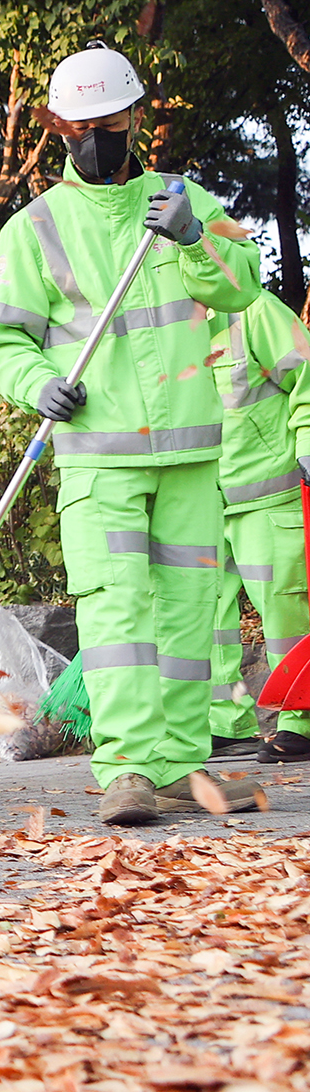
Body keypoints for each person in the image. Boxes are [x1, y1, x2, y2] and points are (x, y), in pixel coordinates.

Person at [0, 41, 263, 826]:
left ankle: (178, 767)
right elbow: (5, 341)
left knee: (186, 612)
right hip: (99, 456)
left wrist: (193, 236)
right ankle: (129, 771)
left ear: (135, 118)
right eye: (79, 126)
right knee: (115, 614)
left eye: (108, 122)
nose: (94, 137)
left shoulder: (186, 200)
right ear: (58, 129)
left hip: (188, 448)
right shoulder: (32, 228)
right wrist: (37, 383)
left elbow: (245, 284)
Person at [206, 291, 310, 765]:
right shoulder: (159, 325)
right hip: (199, 500)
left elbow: (306, 374)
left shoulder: (255, 310)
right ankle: (225, 725)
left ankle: (302, 721)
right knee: (204, 618)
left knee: (286, 609)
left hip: (270, 493)